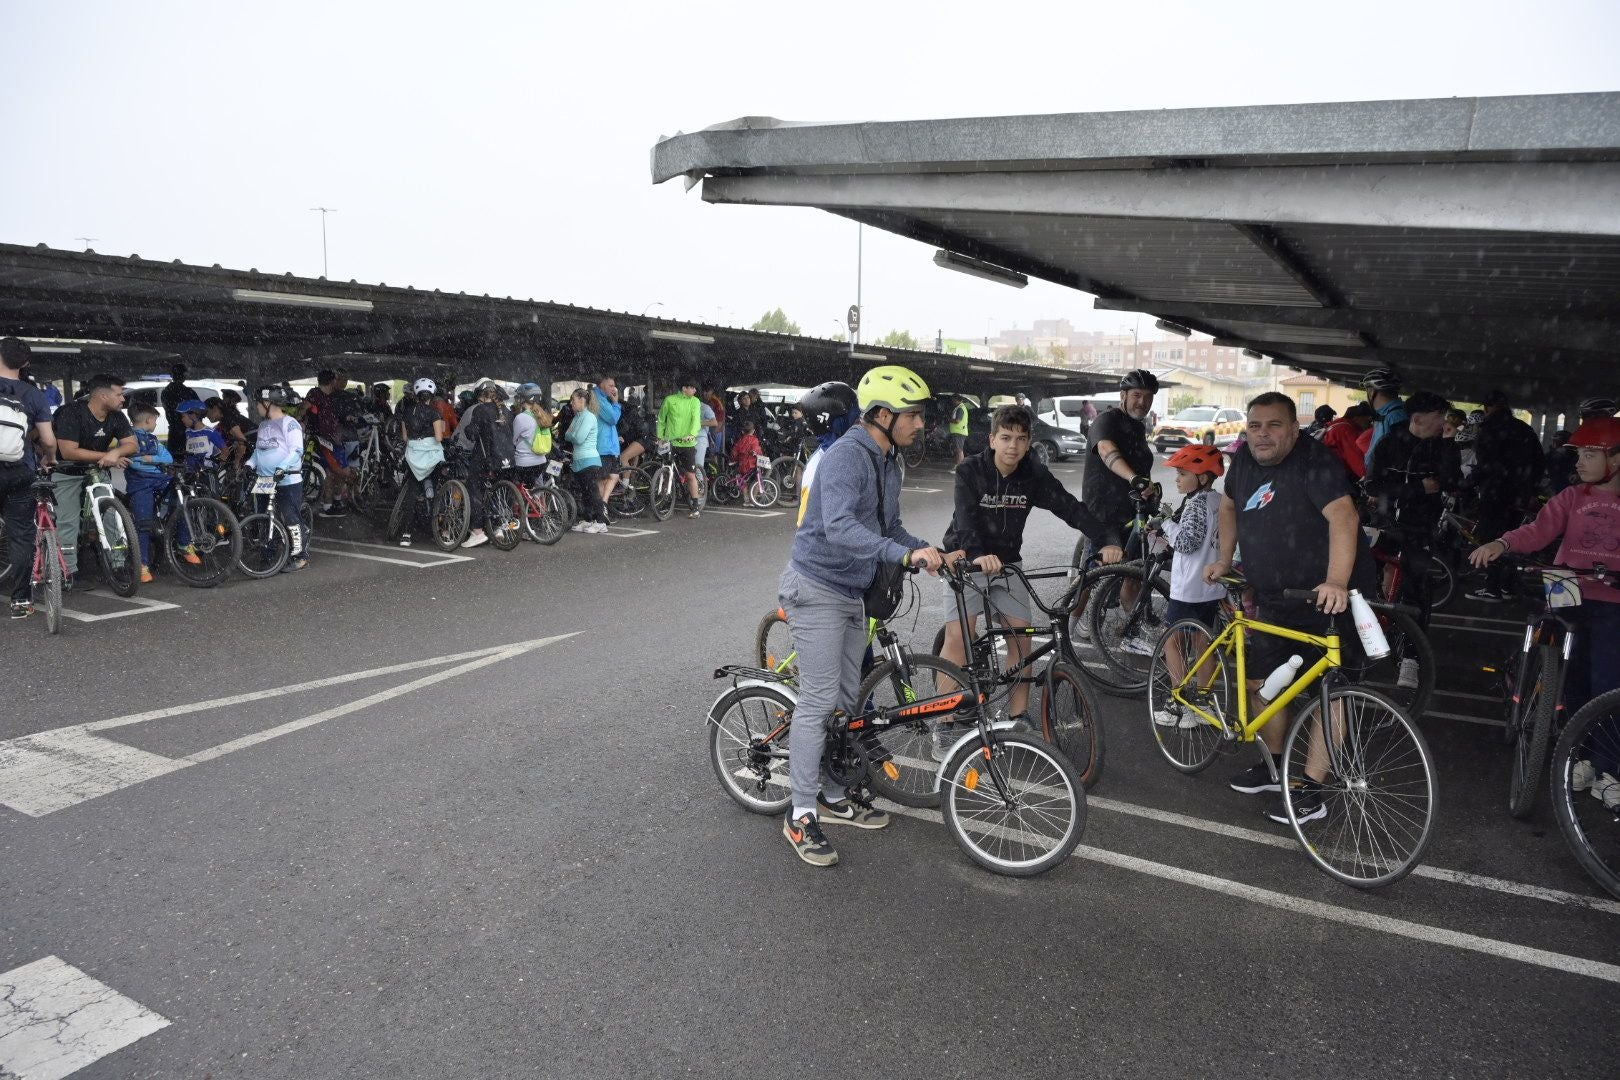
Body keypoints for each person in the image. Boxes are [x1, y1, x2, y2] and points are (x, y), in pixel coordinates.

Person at [779, 364, 944, 867]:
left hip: (853, 591)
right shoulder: (848, 455)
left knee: (847, 700)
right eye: (912, 415)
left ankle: (830, 793)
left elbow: (889, 526)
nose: (921, 424)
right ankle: (800, 813)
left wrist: (929, 550)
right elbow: (841, 528)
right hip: (817, 587)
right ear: (882, 415)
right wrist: (899, 556)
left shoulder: (889, 461)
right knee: (819, 699)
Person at [1204, 392, 1379, 825]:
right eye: (1255, 425)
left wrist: (1337, 580)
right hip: (1274, 595)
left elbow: (1344, 517)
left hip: (1328, 596)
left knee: (1329, 691)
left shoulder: (1315, 462)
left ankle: (1311, 789)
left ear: (1294, 428)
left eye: (1274, 425)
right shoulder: (1243, 461)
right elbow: (1228, 507)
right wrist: (1226, 559)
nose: (1263, 433)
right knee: (1262, 683)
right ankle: (1275, 764)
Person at [937, 403, 1122, 743]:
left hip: (1007, 563)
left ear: (1028, 442)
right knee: (959, 638)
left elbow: (1070, 507)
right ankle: (945, 724)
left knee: (1021, 641)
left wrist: (1106, 538)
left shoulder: (1032, 474)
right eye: (1006, 438)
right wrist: (978, 556)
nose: (1013, 446)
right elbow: (965, 521)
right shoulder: (970, 471)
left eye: (1021, 439)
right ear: (992, 439)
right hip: (966, 559)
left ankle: (1017, 717)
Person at [1469, 415, 1620, 807]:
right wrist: (1502, 543)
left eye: (1590, 454)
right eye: (1580, 455)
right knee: (1572, 682)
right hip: (1566, 587)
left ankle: (1608, 767)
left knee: (1607, 682)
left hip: (1612, 598)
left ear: (1616, 461)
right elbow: (1539, 530)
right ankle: (1580, 755)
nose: (1580, 462)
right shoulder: (1572, 498)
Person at [1364, 390, 1460, 686]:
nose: (1443, 423)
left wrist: (1446, 445)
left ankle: (1411, 659)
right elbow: (1373, 484)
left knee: (1418, 591)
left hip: (1420, 529)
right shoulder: (1390, 443)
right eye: (1439, 418)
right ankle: (1361, 643)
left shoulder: (1442, 447)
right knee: (1364, 584)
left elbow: (1453, 482)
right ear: (1417, 419)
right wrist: (1418, 487)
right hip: (1383, 525)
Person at [1149, 444, 1228, 727]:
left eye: (1183, 473)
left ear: (1203, 477)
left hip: (1190, 587)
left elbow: (1186, 543)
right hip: (1212, 587)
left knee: (1173, 642)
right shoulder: (1218, 501)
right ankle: (1205, 704)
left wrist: (1166, 523)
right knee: (1203, 643)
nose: (1177, 479)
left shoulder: (1195, 504)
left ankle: (1180, 705)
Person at [1077, 369, 1159, 641]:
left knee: (1134, 572)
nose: (1142, 402)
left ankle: (1130, 628)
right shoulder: (1106, 420)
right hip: (1103, 512)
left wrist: (1148, 488)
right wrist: (1134, 478)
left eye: (1148, 397)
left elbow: (1139, 467)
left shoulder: (1138, 426)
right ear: (1123, 395)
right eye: (1137, 395)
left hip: (1132, 511)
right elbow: (1106, 451)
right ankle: (1075, 621)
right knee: (1095, 573)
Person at [51, 372, 136, 590]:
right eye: (119, 394)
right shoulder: (71, 412)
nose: (123, 399)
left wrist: (115, 453)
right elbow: (68, 451)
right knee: (68, 522)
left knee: (111, 513)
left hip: (97, 472)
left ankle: (117, 565)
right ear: (102, 396)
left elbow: (131, 445)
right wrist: (105, 456)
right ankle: (68, 572)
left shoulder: (117, 416)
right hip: (68, 472)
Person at [1463, 388, 1546, 601]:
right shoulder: (1524, 429)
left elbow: (1485, 465)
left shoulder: (1488, 430)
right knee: (1512, 539)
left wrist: (1467, 484)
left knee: (1491, 538)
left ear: (1487, 408)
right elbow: (1538, 462)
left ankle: (1492, 587)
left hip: (1494, 494)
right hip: (1519, 497)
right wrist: (1529, 489)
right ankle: (1508, 586)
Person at [0, 338, 57, 619]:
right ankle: (20, 601)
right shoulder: (32, 395)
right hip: (19, 471)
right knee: (21, 536)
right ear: (25, 364)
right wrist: (49, 458)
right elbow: (47, 439)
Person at [124, 402, 187, 584]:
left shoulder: (152, 439)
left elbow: (168, 458)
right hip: (140, 483)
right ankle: (142, 565)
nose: (155, 425)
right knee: (143, 522)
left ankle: (184, 542)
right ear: (149, 420)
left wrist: (150, 459)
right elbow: (131, 462)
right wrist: (155, 461)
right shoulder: (128, 438)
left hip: (160, 479)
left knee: (181, 501)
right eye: (155, 421)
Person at [251, 385, 308, 572]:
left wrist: (282, 468)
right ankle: (269, 551)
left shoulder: (290, 424)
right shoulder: (263, 425)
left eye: (258, 403)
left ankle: (299, 557)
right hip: (264, 479)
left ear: (268, 403)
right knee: (263, 517)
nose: (256, 407)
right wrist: (248, 465)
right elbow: (259, 451)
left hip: (287, 480)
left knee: (290, 517)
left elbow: (296, 451)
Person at [452, 381, 515, 549]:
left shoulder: (480, 410)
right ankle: (498, 528)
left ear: (481, 396)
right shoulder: (508, 412)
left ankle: (478, 532)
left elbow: (472, 433)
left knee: (475, 492)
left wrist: (469, 431)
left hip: (485, 460)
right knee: (498, 493)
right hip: (507, 460)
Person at [394, 379, 448, 547]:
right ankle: (440, 528)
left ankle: (406, 534)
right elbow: (439, 438)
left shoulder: (407, 412)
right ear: (431, 395)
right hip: (431, 455)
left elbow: (405, 437)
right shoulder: (434, 413)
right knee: (439, 486)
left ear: (416, 394)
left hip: (414, 455)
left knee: (412, 492)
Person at [303, 369, 353, 517]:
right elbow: (304, 408)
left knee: (340, 473)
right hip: (321, 440)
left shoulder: (333, 397)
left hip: (335, 439)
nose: (339, 383)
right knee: (333, 472)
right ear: (332, 381)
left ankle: (336, 501)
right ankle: (328, 506)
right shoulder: (314, 393)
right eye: (337, 380)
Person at [656, 376, 705, 517]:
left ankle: (695, 506)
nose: (695, 390)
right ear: (684, 388)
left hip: (687, 443)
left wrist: (692, 434)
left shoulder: (695, 402)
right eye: (692, 387)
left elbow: (696, 420)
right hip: (670, 442)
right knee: (665, 471)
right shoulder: (670, 400)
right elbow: (661, 419)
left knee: (690, 475)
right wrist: (660, 436)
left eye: (695, 388)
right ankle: (664, 498)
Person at [564, 387, 608, 534]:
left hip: (589, 460)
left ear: (582, 400)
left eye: (573, 400)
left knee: (593, 493)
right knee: (585, 493)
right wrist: (572, 434)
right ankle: (588, 519)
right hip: (579, 460)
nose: (571, 403)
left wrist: (572, 433)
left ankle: (600, 521)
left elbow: (578, 437)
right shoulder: (578, 416)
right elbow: (566, 435)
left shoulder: (588, 417)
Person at [1361, 368, 1407, 468]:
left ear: (1372, 392)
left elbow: (1397, 458)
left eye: (1367, 390)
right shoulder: (1386, 414)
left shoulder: (1395, 416)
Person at [1321, 401, 1375, 480]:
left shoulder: (1337, 424)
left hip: (1325, 473)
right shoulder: (1346, 430)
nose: (1370, 425)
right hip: (1333, 478)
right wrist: (1371, 479)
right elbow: (1358, 464)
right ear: (1357, 418)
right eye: (1369, 421)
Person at [592, 376, 623, 510]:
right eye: (610, 385)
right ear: (601, 384)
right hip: (602, 446)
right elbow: (612, 418)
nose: (613, 388)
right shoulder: (598, 399)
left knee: (613, 476)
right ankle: (600, 509)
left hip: (609, 445)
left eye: (614, 385)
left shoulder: (604, 398)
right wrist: (616, 403)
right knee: (602, 480)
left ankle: (602, 506)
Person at [159, 362, 197, 455]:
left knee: (174, 459)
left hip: (173, 431)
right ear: (184, 376)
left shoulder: (166, 392)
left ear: (172, 375)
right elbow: (198, 408)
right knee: (187, 459)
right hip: (187, 431)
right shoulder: (188, 391)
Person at [948, 394, 971, 465]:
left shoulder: (960, 408)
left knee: (959, 450)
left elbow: (957, 420)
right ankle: (958, 465)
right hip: (958, 431)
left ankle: (960, 467)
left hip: (959, 432)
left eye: (953, 400)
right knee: (958, 450)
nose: (952, 401)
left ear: (956, 400)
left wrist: (949, 420)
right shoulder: (959, 407)